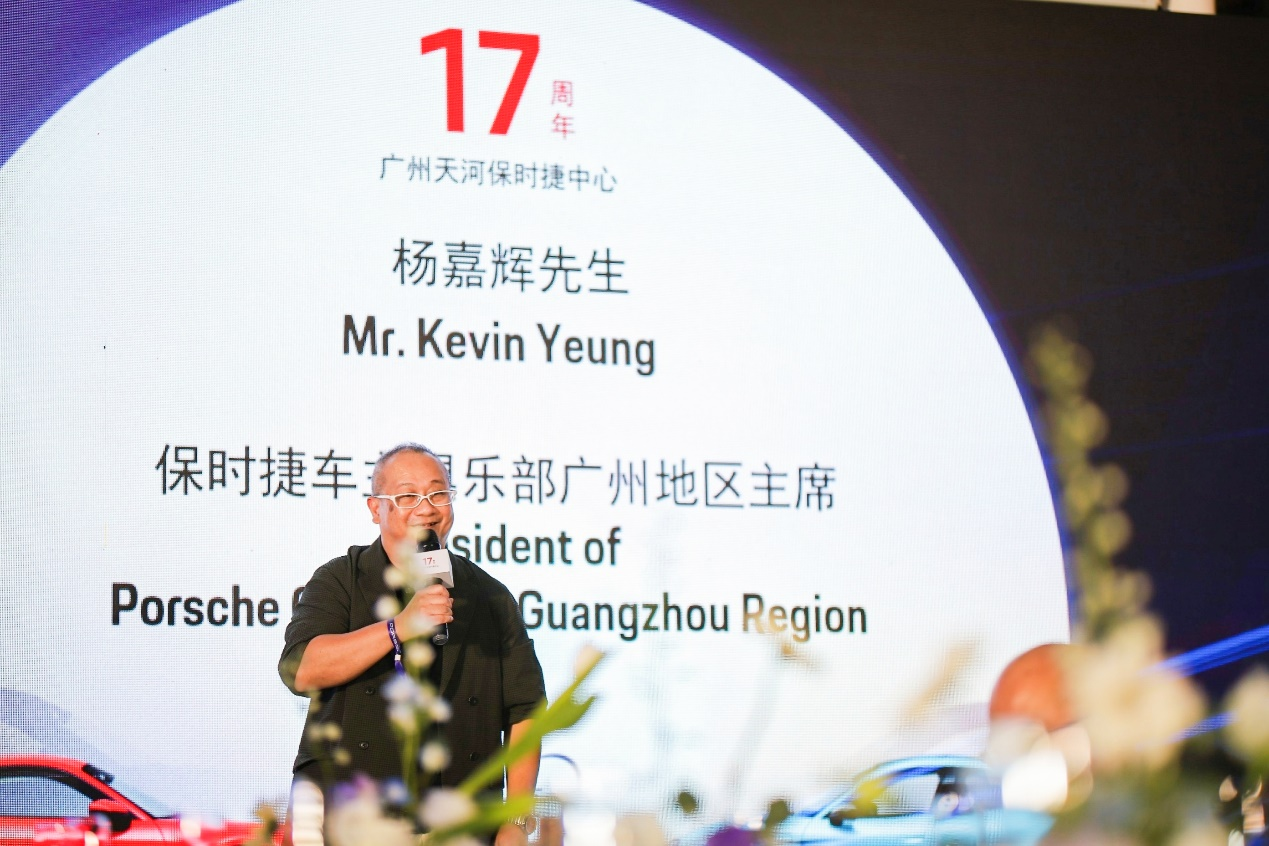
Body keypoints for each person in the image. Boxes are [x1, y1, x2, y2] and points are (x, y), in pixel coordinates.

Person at [279, 443, 546, 846]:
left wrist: (517, 819)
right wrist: (398, 627)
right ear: (376, 509)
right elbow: (301, 670)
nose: (427, 508)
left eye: (438, 494)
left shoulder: (490, 596)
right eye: (408, 497)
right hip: (351, 818)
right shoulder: (340, 579)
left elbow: (525, 709)